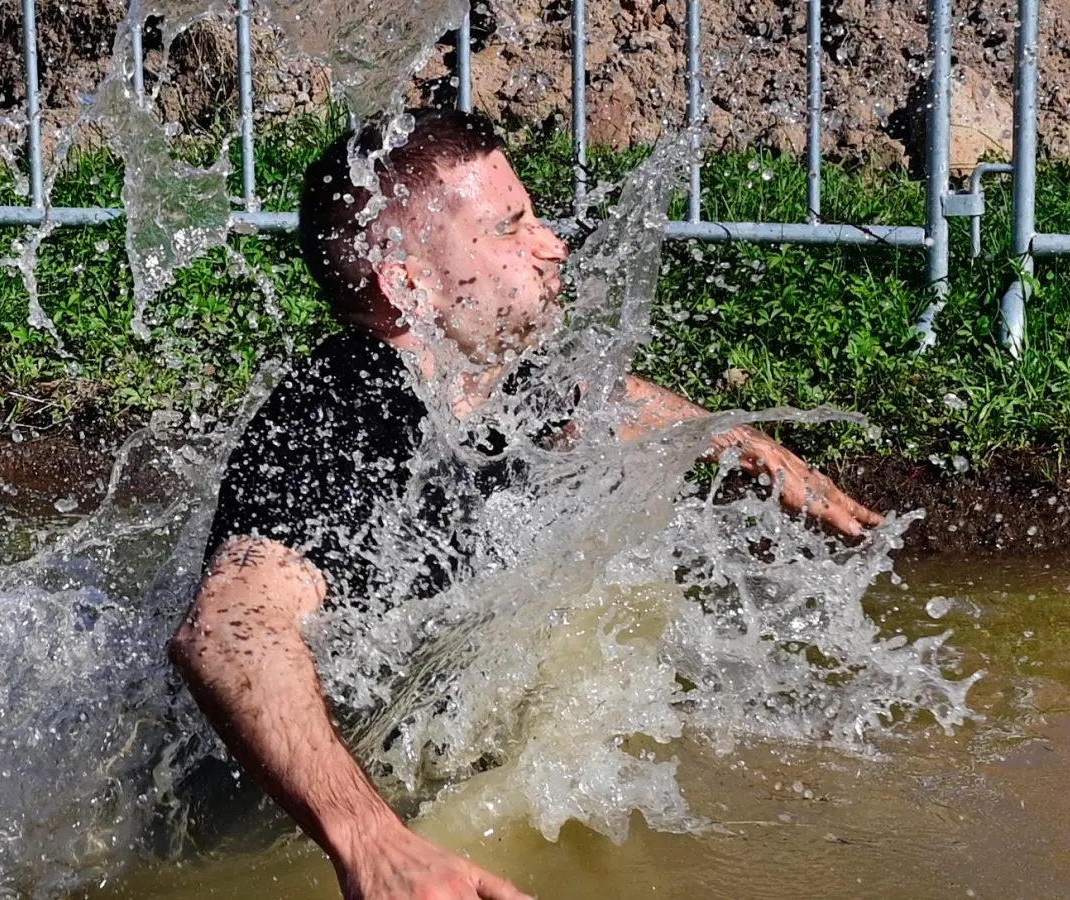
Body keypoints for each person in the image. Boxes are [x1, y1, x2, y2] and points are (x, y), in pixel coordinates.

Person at [169, 109, 881, 900]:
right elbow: (227, 633)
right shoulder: (338, 420)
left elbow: (593, 401)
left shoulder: (476, 375)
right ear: (408, 280)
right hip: (234, 826)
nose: (554, 245)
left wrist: (744, 447)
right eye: (511, 228)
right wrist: (371, 842)